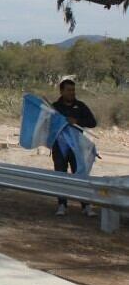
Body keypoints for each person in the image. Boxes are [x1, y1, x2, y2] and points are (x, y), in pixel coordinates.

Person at [51, 79, 97, 217]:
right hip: (59, 147)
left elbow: (92, 123)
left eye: (73, 90)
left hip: (77, 147)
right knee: (61, 176)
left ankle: (86, 206)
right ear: (61, 91)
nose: (72, 93)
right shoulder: (54, 107)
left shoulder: (80, 106)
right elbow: (48, 125)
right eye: (68, 90)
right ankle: (62, 205)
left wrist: (77, 121)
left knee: (80, 176)